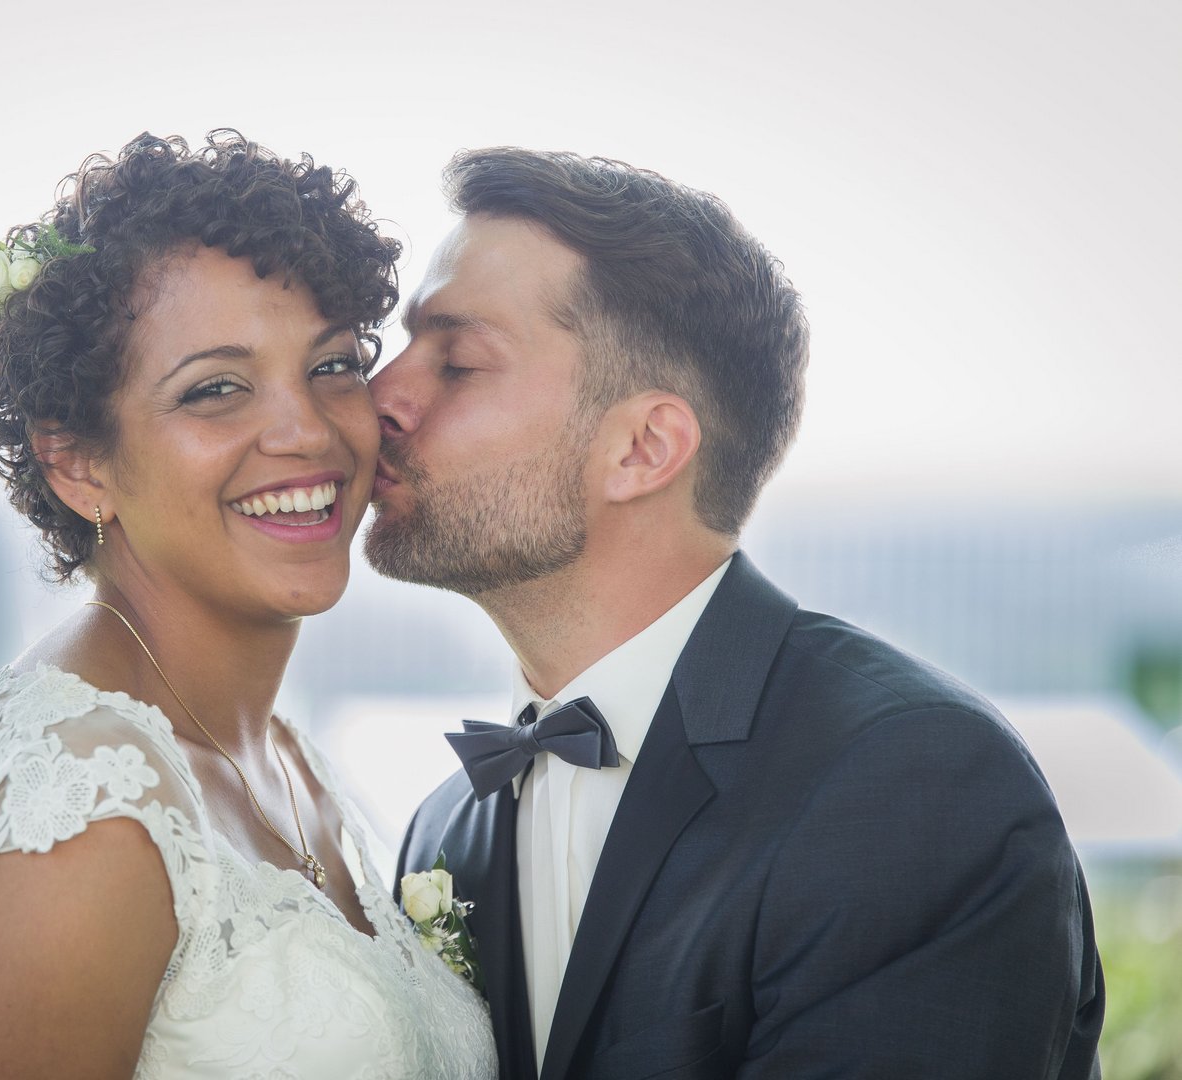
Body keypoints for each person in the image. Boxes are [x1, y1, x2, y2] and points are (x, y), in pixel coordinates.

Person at [372, 147, 1104, 1080]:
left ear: (643, 447)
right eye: (400, 348)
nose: (381, 397)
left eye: (458, 361)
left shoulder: (910, 785)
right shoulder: (446, 824)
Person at [0, 132, 495, 1080]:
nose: (307, 432)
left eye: (331, 365)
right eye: (216, 390)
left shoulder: (286, 758)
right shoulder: (72, 816)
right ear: (77, 463)